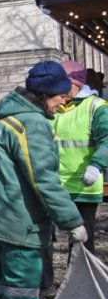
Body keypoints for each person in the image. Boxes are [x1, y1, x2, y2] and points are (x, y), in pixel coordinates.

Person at [0, 60, 87, 299]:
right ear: (46, 93)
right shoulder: (31, 123)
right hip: (17, 217)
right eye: (61, 95)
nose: (64, 101)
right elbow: (43, 179)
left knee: (7, 282)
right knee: (23, 279)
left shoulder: (7, 116)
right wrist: (72, 220)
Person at [53, 60, 108, 257]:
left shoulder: (96, 107)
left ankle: (81, 285)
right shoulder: (55, 107)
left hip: (82, 187)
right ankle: (45, 285)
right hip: (54, 187)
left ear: (75, 84)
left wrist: (96, 166)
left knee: (82, 241)